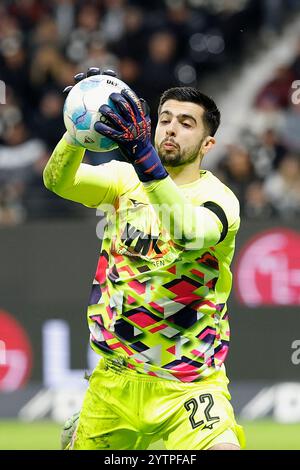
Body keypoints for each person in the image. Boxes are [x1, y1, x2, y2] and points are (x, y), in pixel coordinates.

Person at [43, 67, 245, 450]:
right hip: (114, 383)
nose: (171, 128)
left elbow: (188, 234)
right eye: (165, 119)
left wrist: (144, 157)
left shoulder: (219, 201)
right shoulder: (123, 180)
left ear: (207, 144)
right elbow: (58, 181)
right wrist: (77, 128)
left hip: (189, 387)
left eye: (186, 123)